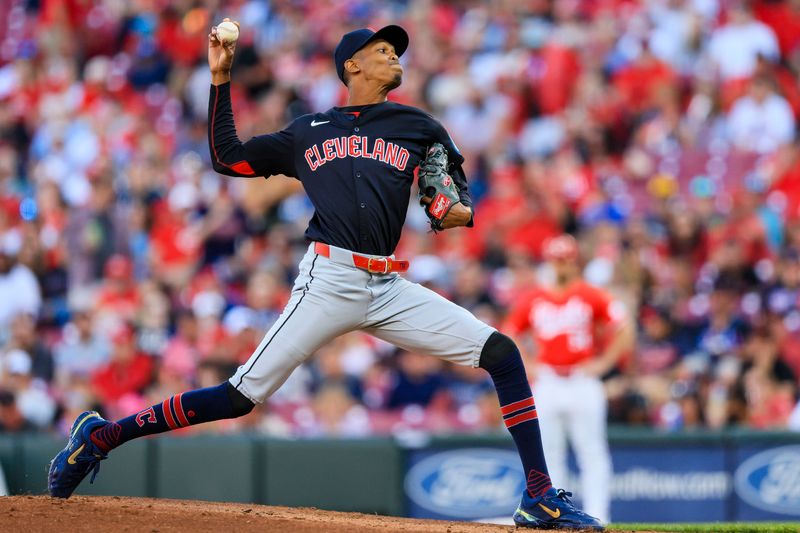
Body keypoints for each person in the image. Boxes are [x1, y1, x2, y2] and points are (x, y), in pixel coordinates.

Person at [47, 20, 602, 530]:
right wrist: (220, 80)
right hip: (329, 280)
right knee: (240, 397)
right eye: (382, 50)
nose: (394, 57)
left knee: (502, 353)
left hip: (387, 287)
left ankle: (538, 497)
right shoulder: (308, 130)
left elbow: (447, 194)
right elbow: (228, 158)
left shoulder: (416, 125)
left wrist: (452, 209)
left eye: (395, 51)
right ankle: (103, 436)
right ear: (351, 66)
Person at [504, 234, 634, 524]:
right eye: (556, 260)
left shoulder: (590, 293)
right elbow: (508, 332)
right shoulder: (534, 297)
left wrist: (604, 363)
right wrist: (528, 364)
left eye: (565, 260)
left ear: (574, 261)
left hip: (581, 378)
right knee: (549, 452)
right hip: (548, 379)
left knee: (592, 451)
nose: (561, 266)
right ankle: (553, 515)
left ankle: (600, 516)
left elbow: (623, 327)